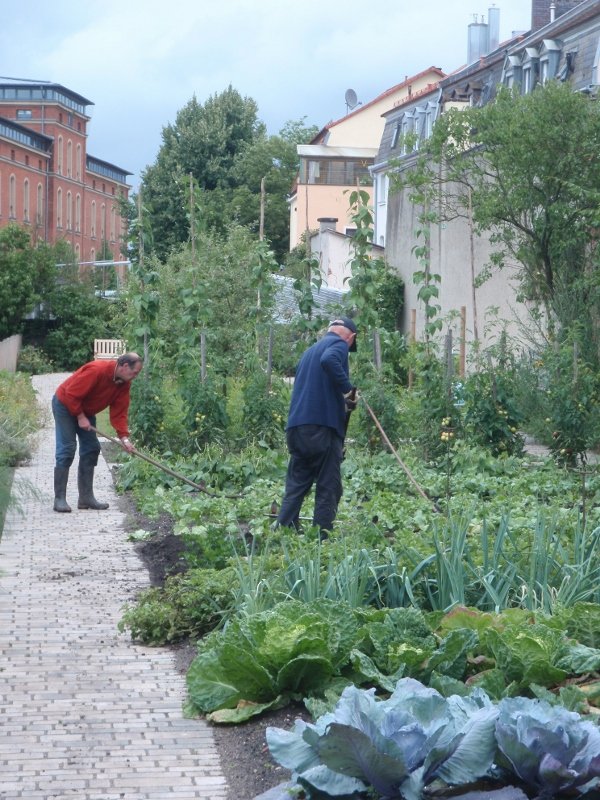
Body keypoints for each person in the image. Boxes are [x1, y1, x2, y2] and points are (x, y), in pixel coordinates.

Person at [276, 317, 358, 537]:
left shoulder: (309, 351)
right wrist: (347, 390)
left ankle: (283, 531)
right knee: (328, 484)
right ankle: (321, 538)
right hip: (321, 428)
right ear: (351, 337)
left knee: (297, 484)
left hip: (297, 428)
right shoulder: (338, 345)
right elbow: (330, 361)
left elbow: (318, 387)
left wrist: (341, 401)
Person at [51, 352, 143, 513]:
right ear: (125, 366)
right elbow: (71, 394)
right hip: (65, 404)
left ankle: (86, 498)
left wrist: (124, 439)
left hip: (85, 410)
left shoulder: (123, 384)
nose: (135, 376)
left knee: (92, 448)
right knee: (67, 448)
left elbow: (119, 413)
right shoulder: (97, 370)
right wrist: (80, 416)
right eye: (134, 372)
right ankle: (59, 499)